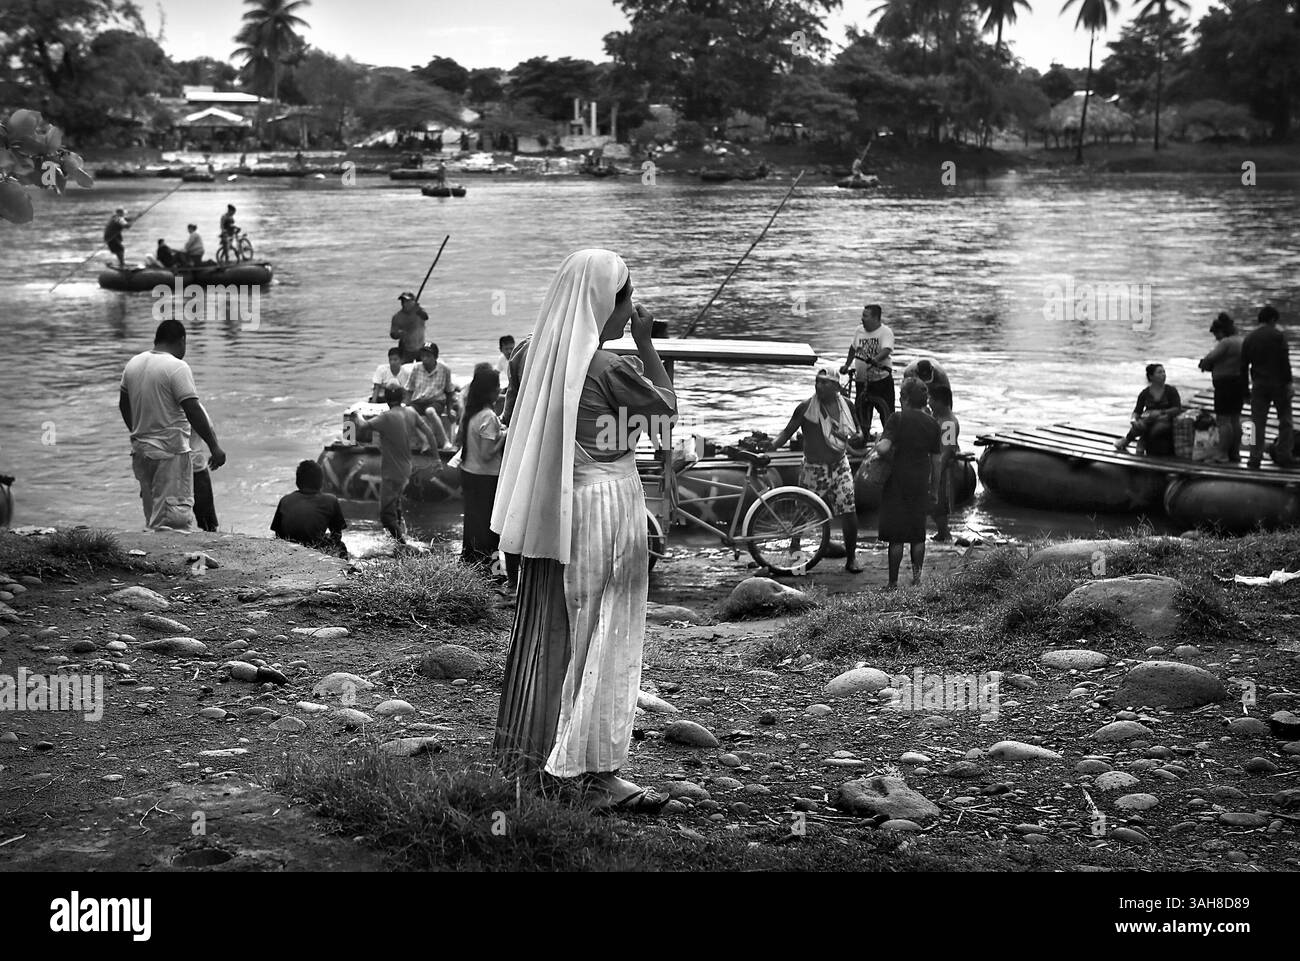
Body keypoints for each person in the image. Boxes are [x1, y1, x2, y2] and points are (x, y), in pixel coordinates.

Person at [492, 248, 676, 812]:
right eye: (626, 302)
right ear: (603, 301)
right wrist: (646, 343)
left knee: (558, 627)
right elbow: (665, 416)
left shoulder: (530, 358)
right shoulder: (611, 368)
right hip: (606, 506)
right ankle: (595, 772)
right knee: (606, 632)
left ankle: (537, 754)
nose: (628, 313)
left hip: (555, 504)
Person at [119, 319, 227, 531]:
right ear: (182, 341)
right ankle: (170, 560)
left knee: (152, 513)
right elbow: (192, 409)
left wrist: (137, 431)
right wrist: (215, 446)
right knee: (174, 518)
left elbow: (123, 404)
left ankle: (152, 555)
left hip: (141, 450)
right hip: (169, 453)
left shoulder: (133, 363)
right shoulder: (177, 367)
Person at [769, 368, 864, 573]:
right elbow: (786, 432)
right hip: (814, 467)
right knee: (802, 513)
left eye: (825, 382)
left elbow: (858, 431)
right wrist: (769, 448)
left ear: (837, 387)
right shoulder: (805, 408)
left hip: (839, 464)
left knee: (849, 511)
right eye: (817, 381)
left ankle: (851, 557)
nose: (819, 385)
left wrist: (858, 437)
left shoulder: (847, 405)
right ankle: (795, 552)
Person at [874, 377, 941, 589]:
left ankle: (893, 583)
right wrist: (935, 490)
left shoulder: (897, 419)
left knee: (896, 536)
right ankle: (917, 580)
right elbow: (937, 460)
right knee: (917, 533)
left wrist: (878, 442)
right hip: (920, 482)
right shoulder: (932, 424)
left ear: (904, 398)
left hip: (897, 481)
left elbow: (883, 449)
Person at [458, 363, 517, 585]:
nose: (498, 392)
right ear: (489, 391)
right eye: (496, 388)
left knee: (473, 525)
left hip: (469, 473)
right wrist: (506, 434)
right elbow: (486, 454)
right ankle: (493, 573)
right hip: (485, 477)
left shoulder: (471, 413)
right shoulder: (488, 417)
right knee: (491, 530)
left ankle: (471, 565)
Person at [359, 385, 440, 540]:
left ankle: (402, 544)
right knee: (395, 506)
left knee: (385, 515)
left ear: (387, 400)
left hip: (392, 472)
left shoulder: (386, 417)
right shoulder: (411, 412)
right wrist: (436, 458)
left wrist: (357, 416)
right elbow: (429, 433)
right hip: (405, 469)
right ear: (403, 398)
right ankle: (401, 537)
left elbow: (363, 426)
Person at [1241, 305, 1295, 469]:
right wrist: (1289, 383)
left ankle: (1254, 458)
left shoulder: (1249, 338)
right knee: (1285, 420)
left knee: (1256, 423)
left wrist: (1245, 391)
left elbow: (1243, 367)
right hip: (1278, 385)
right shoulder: (1278, 336)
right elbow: (1284, 362)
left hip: (1259, 386)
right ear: (1272, 320)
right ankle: (1284, 455)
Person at [271, 460, 348, 558]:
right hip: (313, 550)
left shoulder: (285, 500)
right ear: (321, 482)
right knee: (341, 547)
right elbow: (337, 535)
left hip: (287, 550)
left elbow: (278, 535)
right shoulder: (330, 500)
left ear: (297, 482)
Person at [1198, 312, 1246, 464]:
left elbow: (1209, 359)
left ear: (1222, 331)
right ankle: (1235, 453)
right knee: (1235, 419)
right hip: (1239, 383)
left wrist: (1203, 364)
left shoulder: (1226, 343)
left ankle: (1222, 454)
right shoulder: (1242, 341)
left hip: (1225, 385)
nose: (1216, 338)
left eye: (1216, 334)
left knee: (1223, 420)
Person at [840, 304, 894, 437]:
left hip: (881, 379)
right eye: (862, 315)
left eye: (865, 316)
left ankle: (890, 440)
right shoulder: (859, 331)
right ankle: (862, 438)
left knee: (886, 413)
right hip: (862, 380)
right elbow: (853, 348)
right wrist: (847, 365)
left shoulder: (885, 332)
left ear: (876, 318)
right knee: (861, 412)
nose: (862, 319)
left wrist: (875, 359)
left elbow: (886, 350)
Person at [1114, 364, 1182, 455]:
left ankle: (1142, 441)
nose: (1163, 374)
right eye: (1159, 372)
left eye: (1164, 372)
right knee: (1138, 426)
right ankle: (1128, 440)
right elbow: (1137, 411)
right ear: (1151, 376)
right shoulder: (1145, 393)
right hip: (1148, 419)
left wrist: (1160, 412)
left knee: (1156, 429)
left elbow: (1177, 408)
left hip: (1165, 419)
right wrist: (1133, 420)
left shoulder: (1171, 390)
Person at [402, 343, 459, 440]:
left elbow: (449, 391)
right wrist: (405, 404)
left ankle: (445, 440)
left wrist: (449, 409)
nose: (425, 359)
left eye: (428, 356)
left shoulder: (444, 369)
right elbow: (409, 389)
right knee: (407, 412)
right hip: (418, 401)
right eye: (423, 356)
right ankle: (424, 439)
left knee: (430, 411)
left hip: (436, 402)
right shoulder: (416, 368)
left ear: (435, 357)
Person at [928, 384, 959, 542]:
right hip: (935, 465)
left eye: (931, 399)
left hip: (942, 468)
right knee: (935, 504)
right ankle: (942, 533)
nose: (929, 402)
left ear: (941, 401)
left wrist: (936, 474)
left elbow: (946, 452)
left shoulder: (948, 424)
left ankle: (945, 534)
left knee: (939, 504)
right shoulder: (938, 417)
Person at [190, 410, 219, 532]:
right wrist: (215, 448)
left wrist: (215, 448)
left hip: (193, 465)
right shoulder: (194, 405)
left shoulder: (194, 406)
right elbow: (209, 429)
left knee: (206, 516)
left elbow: (208, 428)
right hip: (193, 464)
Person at [390, 292, 429, 365]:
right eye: (403, 301)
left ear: (413, 302)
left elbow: (426, 317)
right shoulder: (397, 317)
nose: (404, 303)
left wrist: (417, 308)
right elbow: (393, 334)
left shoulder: (419, 312)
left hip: (420, 347)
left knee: (423, 371)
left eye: (407, 301)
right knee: (405, 371)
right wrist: (400, 333)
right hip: (405, 349)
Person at [501, 334, 531, 427]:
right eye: (506, 349)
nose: (509, 351)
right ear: (501, 349)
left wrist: (506, 419)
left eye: (511, 348)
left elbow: (512, 391)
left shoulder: (522, 350)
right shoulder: (504, 359)